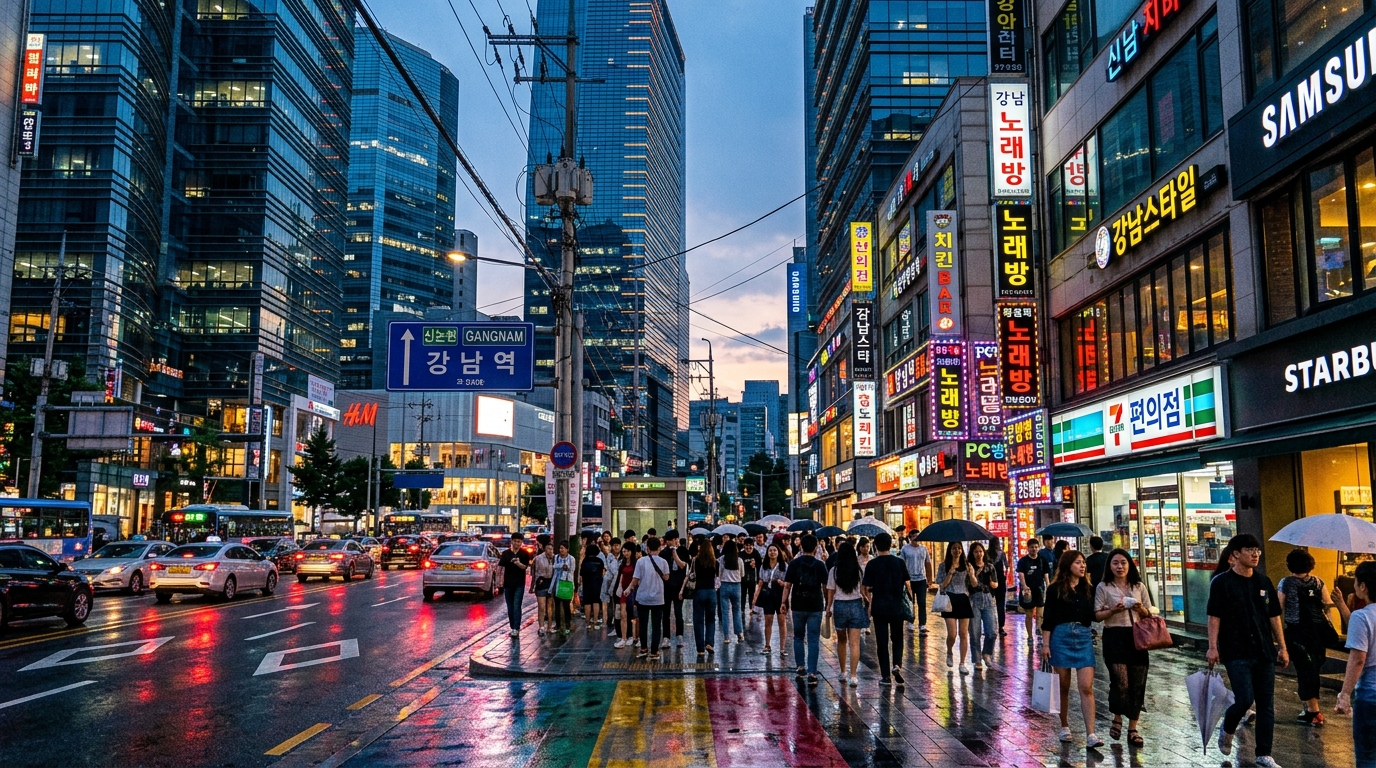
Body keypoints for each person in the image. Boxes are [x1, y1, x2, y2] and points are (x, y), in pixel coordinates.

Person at [1208, 534, 1288, 768]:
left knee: (1266, 704)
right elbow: (1214, 616)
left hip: (1263, 650)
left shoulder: (1264, 582)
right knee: (1244, 699)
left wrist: (1282, 647)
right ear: (1235, 554)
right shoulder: (1221, 582)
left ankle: (1264, 753)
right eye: (1249, 549)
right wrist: (1213, 647)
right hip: (1235, 650)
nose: (1255, 554)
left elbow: (1274, 616)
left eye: (1257, 550)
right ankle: (1228, 725)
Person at [1278, 547, 1349, 726]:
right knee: (1313, 668)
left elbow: (1278, 608)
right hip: (1317, 632)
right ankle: (1311, 708)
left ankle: (1313, 711)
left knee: (1305, 669)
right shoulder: (1319, 582)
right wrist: (1331, 625)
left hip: (1297, 632)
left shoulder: (1286, 583)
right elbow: (1327, 605)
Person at [1042, 550, 1103, 748]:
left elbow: (1094, 615)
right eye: (1078, 562)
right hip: (1061, 636)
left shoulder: (1088, 588)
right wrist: (1045, 644)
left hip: (1083, 636)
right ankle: (1064, 725)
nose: (1082, 566)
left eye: (1083, 562)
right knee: (1063, 686)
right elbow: (1048, 618)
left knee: (1086, 686)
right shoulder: (1054, 589)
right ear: (1068, 565)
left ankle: (1091, 734)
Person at [1095, 549, 1152, 747]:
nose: (1120, 566)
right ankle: (1117, 717)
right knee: (1121, 682)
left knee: (1138, 684)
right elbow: (1097, 615)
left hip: (1136, 637)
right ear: (1109, 566)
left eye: (1123, 563)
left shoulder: (1138, 586)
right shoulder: (1103, 587)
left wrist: (1140, 609)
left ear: (1130, 565)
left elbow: (1149, 612)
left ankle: (1133, 728)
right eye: (1115, 563)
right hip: (1114, 636)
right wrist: (1113, 610)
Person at [1335, 560, 1376, 768]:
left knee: (1368, 756)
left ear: (1363, 587)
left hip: (1370, 696)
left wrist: (1344, 695)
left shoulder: (1362, 617)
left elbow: (1358, 659)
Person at [863, 532, 912, 687]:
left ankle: (885, 676)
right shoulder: (899, 562)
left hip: (879, 607)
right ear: (891, 544)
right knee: (897, 638)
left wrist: (869, 602)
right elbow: (907, 583)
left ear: (875, 546)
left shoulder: (872, 564)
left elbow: (866, 588)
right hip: (897, 606)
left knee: (882, 642)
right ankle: (897, 665)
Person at [782, 534, 829, 685]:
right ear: (816, 548)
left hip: (798, 604)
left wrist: (783, 602)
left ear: (801, 546)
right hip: (815, 605)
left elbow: (787, 585)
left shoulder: (794, 564)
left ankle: (800, 666)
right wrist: (828, 603)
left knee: (798, 636)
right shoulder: (820, 565)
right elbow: (825, 586)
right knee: (813, 639)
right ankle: (812, 672)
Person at [826, 541, 867, 686]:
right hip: (856, 604)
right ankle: (853, 676)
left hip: (840, 606)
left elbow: (830, 591)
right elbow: (863, 590)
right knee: (855, 643)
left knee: (841, 641)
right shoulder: (859, 570)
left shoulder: (834, 571)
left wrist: (828, 607)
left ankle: (843, 672)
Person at [936, 541, 975, 673]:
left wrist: (971, 574)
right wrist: (950, 572)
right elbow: (942, 585)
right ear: (950, 550)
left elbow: (974, 584)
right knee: (952, 634)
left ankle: (962, 663)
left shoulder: (967, 565)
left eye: (959, 548)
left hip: (963, 599)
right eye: (954, 548)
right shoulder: (943, 566)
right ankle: (949, 651)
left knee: (964, 633)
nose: (957, 551)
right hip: (949, 599)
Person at [630, 536, 670, 660]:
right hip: (658, 598)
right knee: (656, 625)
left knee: (643, 624)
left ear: (647, 548)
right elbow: (667, 578)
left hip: (643, 597)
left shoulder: (641, 561)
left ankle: (643, 649)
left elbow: (635, 579)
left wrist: (628, 589)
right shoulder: (663, 562)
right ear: (659, 548)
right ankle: (654, 651)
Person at [968, 541, 998, 670]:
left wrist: (992, 584)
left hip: (988, 600)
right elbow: (973, 585)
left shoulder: (990, 566)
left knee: (991, 631)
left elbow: (995, 583)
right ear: (972, 553)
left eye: (980, 551)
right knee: (975, 632)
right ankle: (977, 659)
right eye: (976, 552)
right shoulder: (969, 567)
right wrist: (972, 574)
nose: (978, 554)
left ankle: (987, 653)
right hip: (974, 600)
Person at [754, 543, 788, 655]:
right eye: (770, 550)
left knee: (781, 621)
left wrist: (782, 583)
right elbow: (760, 582)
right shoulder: (764, 566)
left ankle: (782, 648)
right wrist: (755, 598)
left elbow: (788, 584)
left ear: (778, 553)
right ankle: (767, 645)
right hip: (768, 594)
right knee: (768, 620)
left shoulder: (784, 566)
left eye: (774, 550)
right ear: (767, 553)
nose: (772, 552)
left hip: (780, 594)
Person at [689, 539, 720, 658]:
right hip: (711, 592)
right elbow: (718, 579)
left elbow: (691, 575)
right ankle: (710, 643)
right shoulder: (715, 562)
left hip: (699, 591)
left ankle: (700, 649)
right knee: (711, 620)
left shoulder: (696, 560)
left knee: (698, 621)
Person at [499, 533, 531, 637]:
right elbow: (501, 567)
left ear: (522, 542)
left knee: (517, 605)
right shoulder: (505, 553)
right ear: (511, 541)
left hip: (519, 584)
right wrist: (500, 582)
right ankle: (512, 626)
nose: (517, 543)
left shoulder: (524, 554)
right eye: (515, 541)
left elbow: (525, 567)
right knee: (510, 606)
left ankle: (516, 628)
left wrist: (517, 563)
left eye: (519, 541)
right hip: (508, 584)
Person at [901, 531, 933, 633]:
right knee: (910, 602)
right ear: (910, 538)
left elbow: (928, 563)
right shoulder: (905, 549)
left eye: (917, 536)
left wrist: (929, 579)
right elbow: (902, 563)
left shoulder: (923, 549)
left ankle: (922, 624)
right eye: (914, 536)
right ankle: (910, 621)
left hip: (921, 579)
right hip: (909, 579)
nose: (916, 538)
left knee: (922, 602)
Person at [662, 531, 689, 648]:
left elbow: (682, 565)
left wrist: (674, 553)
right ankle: (666, 637)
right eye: (669, 540)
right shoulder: (664, 552)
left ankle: (679, 636)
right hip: (666, 586)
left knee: (678, 612)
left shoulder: (683, 551)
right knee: (666, 613)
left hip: (679, 587)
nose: (670, 542)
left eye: (673, 539)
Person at [1018, 538, 1049, 636]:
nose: (1034, 549)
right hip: (1028, 591)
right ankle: (1030, 636)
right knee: (1029, 615)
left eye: (1036, 547)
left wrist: (1048, 584)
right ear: (1028, 548)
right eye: (1032, 547)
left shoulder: (1042, 559)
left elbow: (1046, 574)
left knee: (1040, 614)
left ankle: (1038, 628)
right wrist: (1025, 587)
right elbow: (1021, 575)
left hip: (1040, 589)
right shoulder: (1023, 561)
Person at [717, 540, 745, 643]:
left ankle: (726, 636)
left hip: (724, 585)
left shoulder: (721, 560)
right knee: (737, 611)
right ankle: (739, 634)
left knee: (725, 612)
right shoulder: (739, 560)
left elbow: (718, 574)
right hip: (736, 586)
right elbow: (742, 575)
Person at [613, 543, 640, 649]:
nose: (625, 553)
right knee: (623, 615)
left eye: (627, 551)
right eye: (624, 551)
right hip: (624, 591)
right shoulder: (622, 564)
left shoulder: (636, 563)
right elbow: (620, 577)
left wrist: (631, 587)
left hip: (634, 591)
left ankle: (636, 637)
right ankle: (624, 638)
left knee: (635, 616)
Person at [580, 541, 607, 630]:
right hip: (597, 583)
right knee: (596, 601)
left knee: (587, 602)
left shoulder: (585, 561)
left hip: (587, 584)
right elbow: (603, 573)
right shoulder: (599, 561)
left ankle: (588, 623)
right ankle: (595, 622)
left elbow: (581, 573)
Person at [531, 541, 556, 636]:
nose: (550, 551)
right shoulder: (538, 558)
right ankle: (541, 627)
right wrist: (533, 585)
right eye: (548, 549)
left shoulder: (555, 558)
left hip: (551, 583)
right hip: (541, 583)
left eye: (551, 549)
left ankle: (549, 626)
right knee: (541, 606)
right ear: (545, 549)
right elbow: (533, 572)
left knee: (550, 606)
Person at [551, 541, 576, 635]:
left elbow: (572, 569)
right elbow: (554, 566)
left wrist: (565, 567)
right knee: (557, 606)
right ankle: (557, 625)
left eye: (563, 548)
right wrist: (562, 566)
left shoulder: (571, 558)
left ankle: (567, 624)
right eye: (560, 548)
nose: (561, 550)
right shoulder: (556, 557)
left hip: (567, 584)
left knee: (566, 606)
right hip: (557, 584)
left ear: (567, 549)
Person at [990, 537, 1009, 635]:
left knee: (990, 605)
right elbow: (1007, 566)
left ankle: (990, 626)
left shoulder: (987, 554)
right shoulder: (1001, 553)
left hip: (989, 581)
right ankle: (1000, 627)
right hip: (1000, 581)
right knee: (1000, 604)